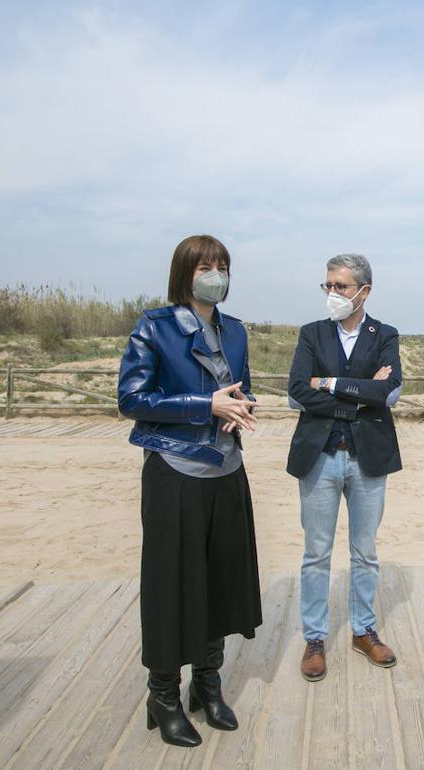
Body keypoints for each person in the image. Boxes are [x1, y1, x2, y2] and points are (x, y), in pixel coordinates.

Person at [118, 235, 263, 747]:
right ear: (185, 272)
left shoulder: (236, 330)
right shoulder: (154, 327)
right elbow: (132, 398)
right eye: (206, 266)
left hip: (226, 469)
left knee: (221, 577)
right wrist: (206, 406)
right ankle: (163, 695)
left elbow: (239, 386)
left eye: (222, 265)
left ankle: (208, 683)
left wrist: (241, 408)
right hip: (175, 471)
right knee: (170, 582)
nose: (216, 273)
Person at [286, 253, 402, 682]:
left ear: (363, 291)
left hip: (368, 460)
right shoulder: (312, 335)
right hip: (319, 457)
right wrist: (359, 395)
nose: (332, 294)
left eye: (341, 287)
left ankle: (363, 630)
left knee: (365, 552)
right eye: (328, 286)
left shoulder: (385, 335)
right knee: (316, 553)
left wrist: (330, 384)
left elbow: (388, 390)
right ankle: (315, 638)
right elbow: (297, 391)